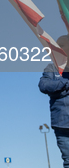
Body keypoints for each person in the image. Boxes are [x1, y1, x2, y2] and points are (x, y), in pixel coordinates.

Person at [39, 35, 69, 167]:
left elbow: (53, 88)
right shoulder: (52, 69)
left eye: (62, 45)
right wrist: (65, 82)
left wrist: (59, 90)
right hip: (62, 125)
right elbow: (44, 86)